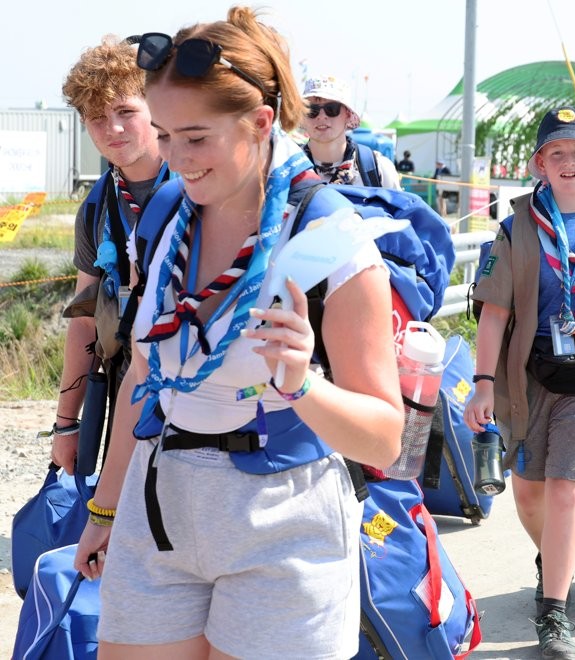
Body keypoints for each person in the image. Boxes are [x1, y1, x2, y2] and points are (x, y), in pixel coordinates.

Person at [73, 8, 404, 658]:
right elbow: (147, 378)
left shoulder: (328, 239)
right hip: (159, 499)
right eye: (165, 135)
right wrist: (105, 509)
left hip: (282, 518)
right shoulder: (171, 213)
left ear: (259, 123)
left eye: (195, 138)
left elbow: (385, 439)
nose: (175, 159)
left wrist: (301, 384)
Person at [465, 106, 575, 659]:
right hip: (528, 372)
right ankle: (555, 559)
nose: (569, 162)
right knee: (529, 492)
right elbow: (494, 313)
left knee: (568, 488)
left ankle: (554, 613)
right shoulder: (514, 227)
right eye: (557, 153)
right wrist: (482, 383)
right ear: (541, 164)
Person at [51, 35, 169, 473]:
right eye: (97, 117)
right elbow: (84, 319)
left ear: (156, 106)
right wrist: (66, 425)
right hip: (124, 394)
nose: (113, 129)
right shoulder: (97, 207)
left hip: (199, 403)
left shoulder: (202, 188)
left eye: (126, 112)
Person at [300, 73, 401, 189]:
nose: (321, 116)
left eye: (332, 109)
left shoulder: (379, 169)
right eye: (312, 110)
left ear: (348, 114)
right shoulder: (286, 167)